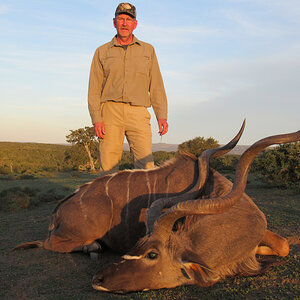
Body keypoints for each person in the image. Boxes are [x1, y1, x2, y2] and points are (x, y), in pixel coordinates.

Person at [88, 2, 168, 174]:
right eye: (121, 19)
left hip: (138, 112)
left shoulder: (148, 50)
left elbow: (156, 85)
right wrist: (97, 119)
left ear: (135, 24)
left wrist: (161, 116)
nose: (124, 23)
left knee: (146, 168)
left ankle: (144, 202)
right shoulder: (101, 52)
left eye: (128, 19)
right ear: (114, 22)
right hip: (110, 113)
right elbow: (94, 89)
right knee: (108, 169)